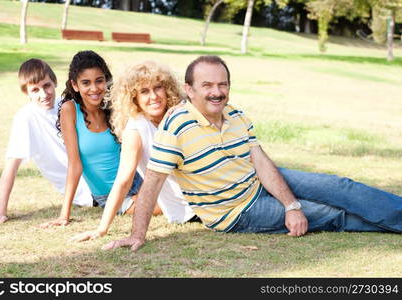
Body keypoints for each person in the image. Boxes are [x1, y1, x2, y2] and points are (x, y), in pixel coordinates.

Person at [102, 55, 402, 251]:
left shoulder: (235, 114)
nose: (216, 92)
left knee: (340, 187)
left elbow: (261, 162)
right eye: (207, 85)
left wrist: (290, 205)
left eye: (222, 84)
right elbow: (152, 183)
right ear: (189, 89)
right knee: (331, 215)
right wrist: (137, 235)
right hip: (235, 212)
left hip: (255, 184)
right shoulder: (175, 127)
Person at [71, 61, 195, 242]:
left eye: (157, 88)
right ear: (133, 98)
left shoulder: (179, 113)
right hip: (188, 210)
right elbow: (123, 181)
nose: (153, 96)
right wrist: (101, 229)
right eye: (144, 91)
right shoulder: (137, 129)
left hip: (208, 194)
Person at [40, 51, 142, 228]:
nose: (94, 89)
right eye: (86, 83)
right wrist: (65, 214)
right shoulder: (69, 110)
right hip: (110, 195)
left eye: (99, 80)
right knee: (165, 205)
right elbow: (75, 164)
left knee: (177, 196)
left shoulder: (113, 106)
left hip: (138, 181)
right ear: (75, 85)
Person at [0, 59, 92, 226]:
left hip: (97, 173)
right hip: (82, 192)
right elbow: (11, 166)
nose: (44, 94)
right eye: (35, 90)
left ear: (55, 82)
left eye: (47, 86)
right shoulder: (25, 118)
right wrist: (0, 211)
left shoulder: (68, 105)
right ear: (25, 92)